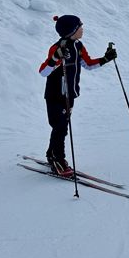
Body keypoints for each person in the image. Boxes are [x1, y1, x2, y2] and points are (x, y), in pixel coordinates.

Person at [38, 15, 117, 176]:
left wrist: (106, 59)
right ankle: (58, 160)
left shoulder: (78, 46)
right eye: (80, 26)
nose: (82, 29)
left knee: (62, 128)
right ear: (71, 31)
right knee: (59, 127)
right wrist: (56, 58)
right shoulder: (57, 48)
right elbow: (43, 71)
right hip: (55, 95)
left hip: (70, 94)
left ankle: (51, 154)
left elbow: (87, 64)